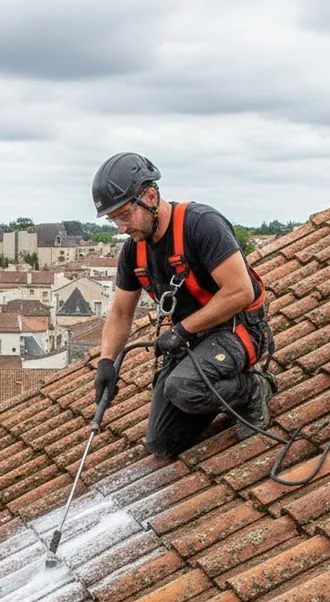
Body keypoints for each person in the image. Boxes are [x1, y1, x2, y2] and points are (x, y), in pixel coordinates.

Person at [91, 153, 275, 458]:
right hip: (193, 341)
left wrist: (183, 329)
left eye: (125, 215)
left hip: (238, 329)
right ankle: (210, 388)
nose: (121, 227)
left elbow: (240, 291)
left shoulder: (201, 225)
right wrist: (107, 363)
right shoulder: (133, 251)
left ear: (150, 196)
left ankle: (252, 389)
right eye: (114, 220)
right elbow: (121, 312)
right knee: (163, 443)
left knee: (183, 388)